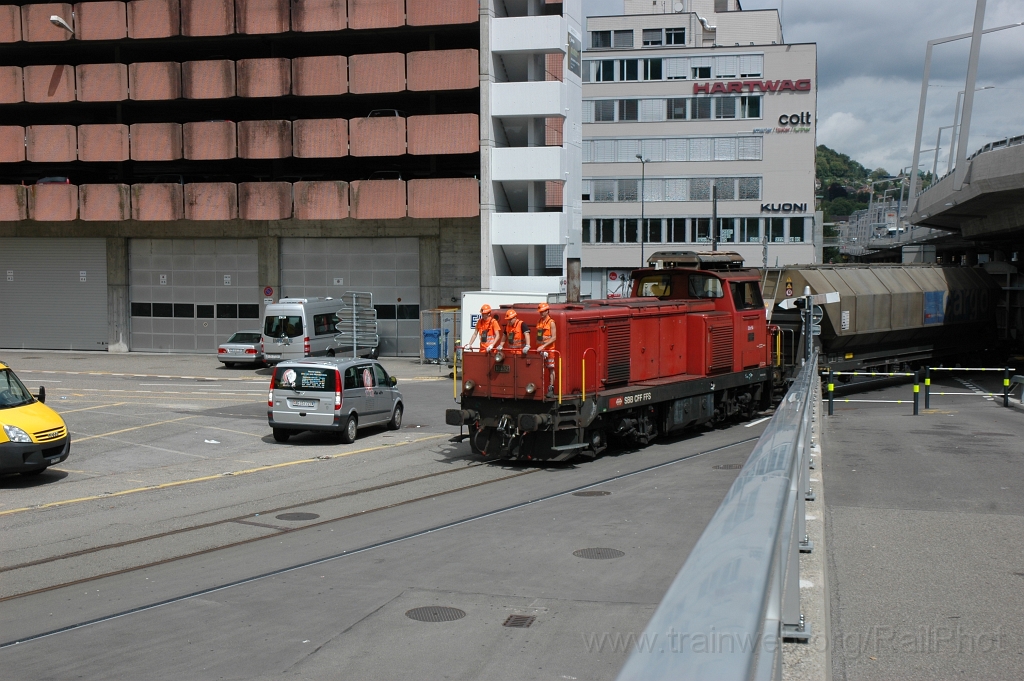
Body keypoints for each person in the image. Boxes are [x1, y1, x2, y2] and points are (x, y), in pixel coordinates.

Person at [535, 303, 557, 395]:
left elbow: (554, 337)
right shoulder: (539, 321)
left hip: (549, 349)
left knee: (551, 368)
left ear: (547, 311)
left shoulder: (551, 322)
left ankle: (551, 387)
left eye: (542, 312)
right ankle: (540, 388)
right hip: (541, 350)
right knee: (540, 368)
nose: (541, 313)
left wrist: (543, 346)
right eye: (540, 312)